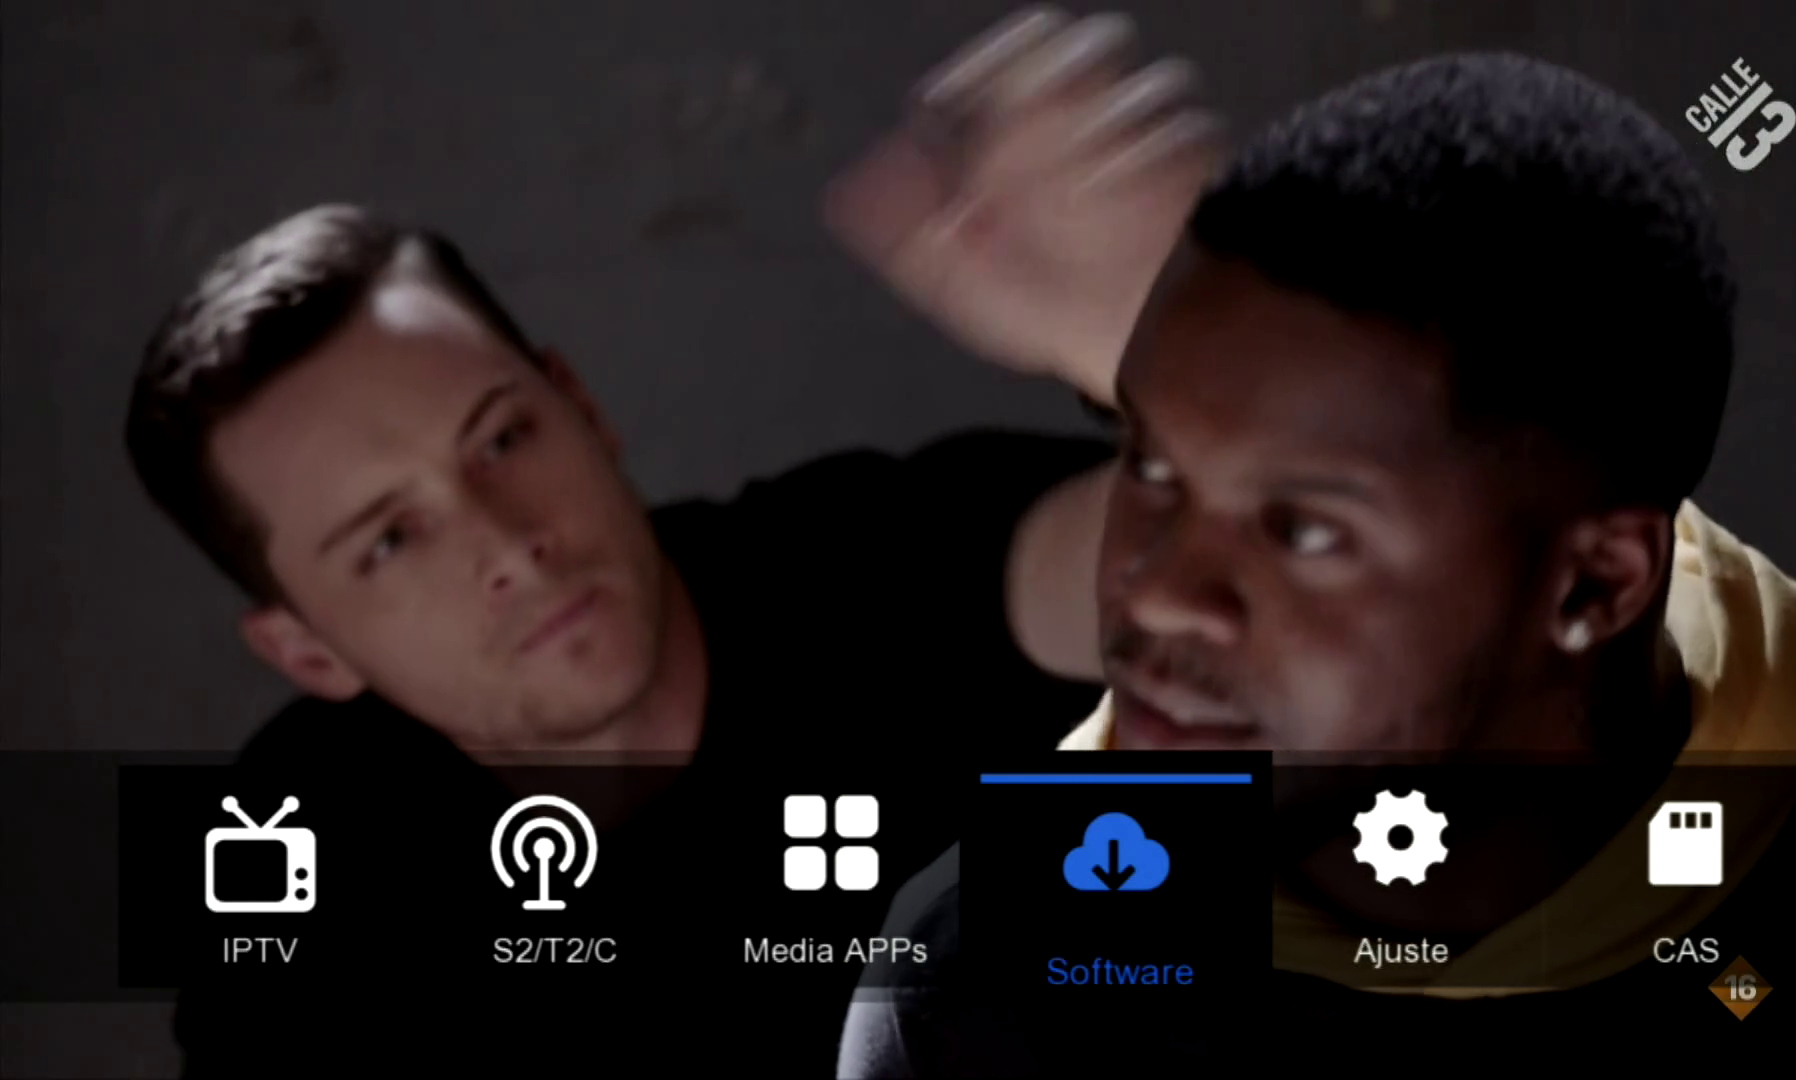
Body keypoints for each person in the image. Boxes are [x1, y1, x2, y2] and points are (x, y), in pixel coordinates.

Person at [120, 9, 1222, 1076]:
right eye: (391, 539)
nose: (509, 544)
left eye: (503, 439)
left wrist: (1178, 355)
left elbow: (1185, 566)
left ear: (581, 407)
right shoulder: (297, 845)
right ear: (309, 652)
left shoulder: (864, 563)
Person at [838, 51, 1796, 1075]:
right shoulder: (994, 989)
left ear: (1596, 584)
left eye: (1306, 531)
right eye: (1154, 470)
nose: (1158, 593)